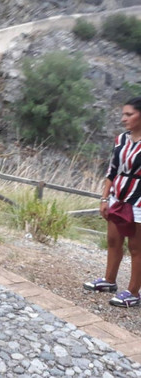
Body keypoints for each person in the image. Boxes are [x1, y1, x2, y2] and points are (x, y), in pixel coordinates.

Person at [83, 97, 141, 308]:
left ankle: (134, 292)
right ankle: (109, 281)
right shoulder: (121, 140)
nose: (123, 118)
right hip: (118, 196)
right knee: (113, 240)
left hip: (140, 200)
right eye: (123, 114)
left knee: (136, 247)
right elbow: (112, 171)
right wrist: (104, 197)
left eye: (129, 114)